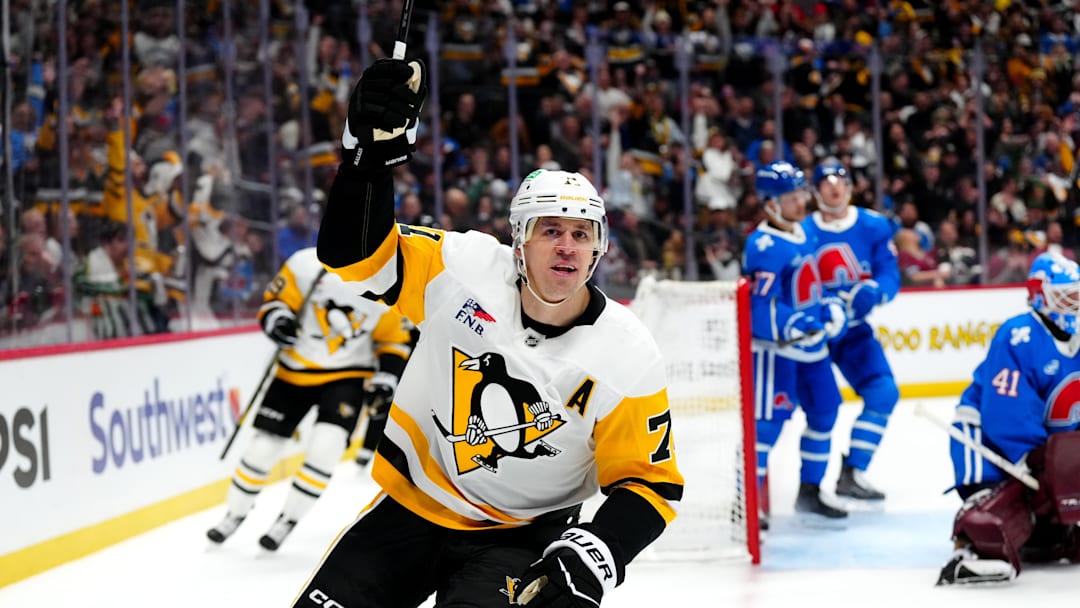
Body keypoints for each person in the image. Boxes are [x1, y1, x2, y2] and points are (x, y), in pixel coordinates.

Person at [294, 58, 683, 608]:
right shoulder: (464, 268)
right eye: (551, 230)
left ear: (598, 247)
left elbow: (651, 482)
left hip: (523, 536)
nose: (567, 246)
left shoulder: (626, 352)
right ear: (519, 240)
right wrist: (366, 162)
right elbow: (352, 254)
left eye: (581, 234)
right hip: (413, 507)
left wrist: (601, 547)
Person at [206, 247, 412, 551]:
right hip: (294, 372)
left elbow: (393, 338)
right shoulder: (304, 264)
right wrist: (277, 320)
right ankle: (235, 513)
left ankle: (289, 519)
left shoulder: (386, 278)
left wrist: (386, 377)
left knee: (326, 448)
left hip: (348, 375)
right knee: (262, 450)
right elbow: (276, 303)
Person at [937, 252, 1080, 585]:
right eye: (1067, 296)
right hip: (988, 440)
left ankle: (1049, 534)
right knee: (998, 505)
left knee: (1051, 514)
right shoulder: (1018, 336)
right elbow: (1005, 414)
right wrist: (1039, 461)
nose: (1075, 303)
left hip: (1047, 450)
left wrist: (1064, 469)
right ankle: (971, 549)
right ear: (1040, 295)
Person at [742, 161, 848, 526]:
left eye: (801, 194)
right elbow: (759, 307)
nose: (800, 202)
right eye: (790, 198)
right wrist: (797, 322)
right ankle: (747, 504)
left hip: (813, 351)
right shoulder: (764, 246)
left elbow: (815, 285)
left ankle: (810, 492)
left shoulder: (805, 232)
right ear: (771, 204)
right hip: (777, 354)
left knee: (825, 412)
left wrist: (830, 307)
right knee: (767, 428)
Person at [802, 162, 900, 501]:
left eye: (840, 181)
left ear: (850, 187)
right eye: (826, 182)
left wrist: (876, 290)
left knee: (883, 393)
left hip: (855, 333)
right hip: (813, 336)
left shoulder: (873, 225)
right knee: (818, 411)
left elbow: (890, 274)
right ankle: (806, 486)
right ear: (816, 191)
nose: (834, 188)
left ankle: (853, 472)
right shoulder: (802, 231)